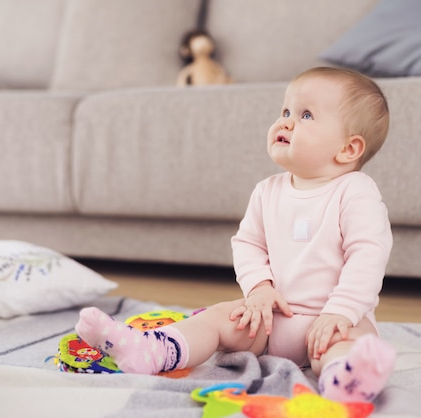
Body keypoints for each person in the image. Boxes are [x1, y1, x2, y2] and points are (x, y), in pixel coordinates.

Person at [75, 67, 396, 403]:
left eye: (305, 115)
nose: (285, 122)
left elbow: (368, 255)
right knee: (220, 317)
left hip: (332, 320)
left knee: (349, 341)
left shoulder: (355, 191)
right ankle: (154, 350)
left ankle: (346, 379)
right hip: (271, 320)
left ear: (348, 148)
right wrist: (259, 289)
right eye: (285, 111)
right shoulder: (267, 190)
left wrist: (341, 311)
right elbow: (248, 244)